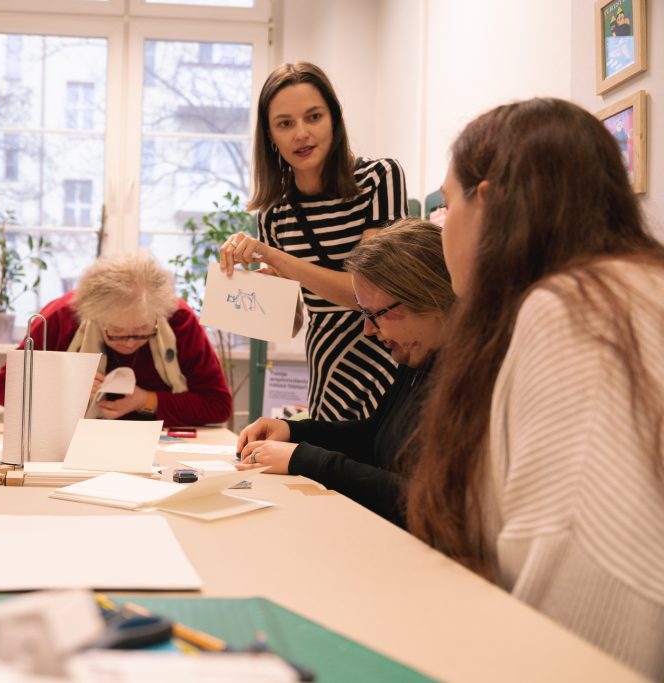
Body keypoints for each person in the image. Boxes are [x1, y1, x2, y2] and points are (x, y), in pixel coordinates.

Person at [410, 98, 664, 678]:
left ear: (489, 199)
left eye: (444, 206)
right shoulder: (618, 286)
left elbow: (590, 570)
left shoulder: (578, 310)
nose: (439, 228)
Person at [219, 61, 408, 423]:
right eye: (285, 124)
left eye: (314, 117)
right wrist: (253, 288)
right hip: (327, 377)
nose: (301, 134)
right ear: (270, 136)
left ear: (334, 119)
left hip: (385, 363)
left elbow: (367, 295)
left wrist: (275, 257)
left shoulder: (379, 178)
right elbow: (289, 323)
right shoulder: (274, 213)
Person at [234, 219, 451, 526]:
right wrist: (294, 432)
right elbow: (373, 437)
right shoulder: (417, 357)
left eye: (374, 315)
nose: (367, 330)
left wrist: (304, 459)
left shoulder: (468, 380)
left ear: (424, 299)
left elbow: (423, 500)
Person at [0, 252, 232, 426]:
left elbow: (218, 405)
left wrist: (146, 400)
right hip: (71, 442)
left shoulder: (177, 319)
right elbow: (5, 389)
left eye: (142, 332)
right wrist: (67, 388)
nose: (129, 343)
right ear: (94, 317)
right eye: (116, 332)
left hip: (159, 444)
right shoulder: (62, 317)